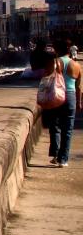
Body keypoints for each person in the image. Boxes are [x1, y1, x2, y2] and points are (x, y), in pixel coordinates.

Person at [50, 39, 82, 167]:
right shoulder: (76, 65)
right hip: (71, 96)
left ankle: (56, 155)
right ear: (69, 50)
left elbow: (48, 80)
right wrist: (79, 102)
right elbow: (79, 86)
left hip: (57, 96)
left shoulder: (55, 63)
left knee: (55, 126)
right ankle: (63, 160)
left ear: (57, 50)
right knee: (68, 129)